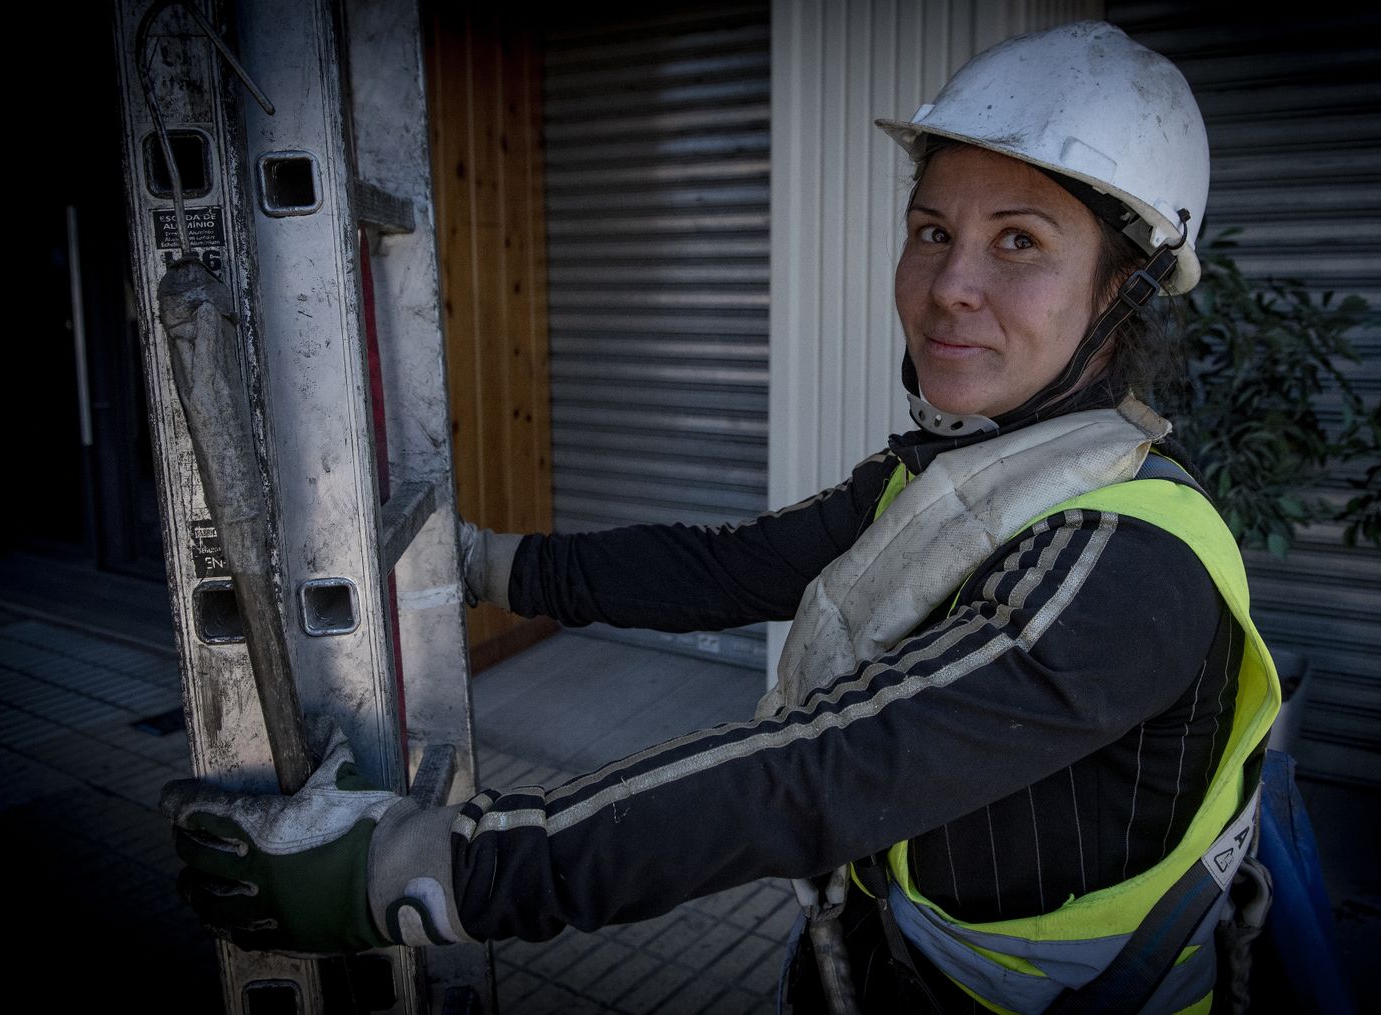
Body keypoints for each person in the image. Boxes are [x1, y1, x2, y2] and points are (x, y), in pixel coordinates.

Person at [163, 21, 1280, 1013]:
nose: (949, 284)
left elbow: (816, 774)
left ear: (1120, 290)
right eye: (932, 229)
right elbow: (724, 571)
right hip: (877, 958)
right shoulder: (968, 472)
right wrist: (477, 564)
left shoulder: (1124, 563)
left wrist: (423, 872)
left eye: (1020, 241)